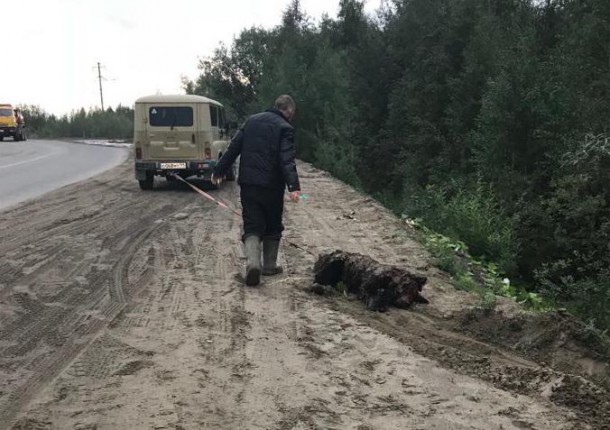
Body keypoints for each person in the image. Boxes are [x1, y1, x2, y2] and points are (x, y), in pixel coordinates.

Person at [211, 95, 301, 286]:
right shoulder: (285, 128)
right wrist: (293, 187)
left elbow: (233, 148)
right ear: (289, 111)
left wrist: (219, 171)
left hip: (249, 184)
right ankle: (269, 266)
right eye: (292, 114)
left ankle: (253, 264)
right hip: (272, 187)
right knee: (273, 224)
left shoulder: (251, 121)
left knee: (252, 223)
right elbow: (287, 159)